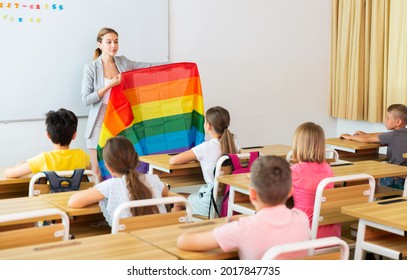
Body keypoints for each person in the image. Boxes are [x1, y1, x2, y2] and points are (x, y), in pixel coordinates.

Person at [176, 156, 310, 260]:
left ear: (252, 194)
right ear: (290, 192)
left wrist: (223, 230)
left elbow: (184, 242)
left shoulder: (243, 228)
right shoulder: (302, 218)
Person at [81, 27, 166, 181]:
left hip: (121, 121)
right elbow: (86, 99)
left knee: (124, 169)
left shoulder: (123, 62)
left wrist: (169, 65)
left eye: (116, 42)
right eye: (108, 42)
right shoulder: (91, 67)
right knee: (98, 172)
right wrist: (109, 85)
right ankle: (104, 205)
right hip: (99, 124)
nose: (113, 45)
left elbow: (146, 66)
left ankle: (123, 202)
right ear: (99, 44)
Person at [68, 136, 169, 226]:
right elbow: (166, 191)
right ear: (135, 159)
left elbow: (73, 202)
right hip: (159, 236)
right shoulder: (152, 179)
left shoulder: (111, 185)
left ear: (108, 167)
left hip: (129, 242)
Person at [169, 106, 239, 216]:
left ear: (208, 126)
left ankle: (176, 231)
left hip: (211, 204)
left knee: (176, 199)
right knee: (185, 199)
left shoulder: (205, 148)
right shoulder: (234, 145)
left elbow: (173, 160)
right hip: (228, 200)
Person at [5, 108, 91, 178]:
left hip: (50, 199)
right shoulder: (82, 156)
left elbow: (9, 174)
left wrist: (19, 165)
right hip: (74, 198)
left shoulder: (44, 159)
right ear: (74, 135)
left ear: (48, 135)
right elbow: (90, 169)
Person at [291, 122, 341, 238]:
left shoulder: (295, 171)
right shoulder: (327, 169)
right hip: (329, 229)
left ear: (298, 145)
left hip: (305, 229)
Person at [340, 104, 407, 189]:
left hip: (394, 178)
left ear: (398, 122)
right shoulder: (400, 133)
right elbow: (380, 135)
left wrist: (349, 137)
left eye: (387, 118)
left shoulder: (392, 135)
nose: (384, 121)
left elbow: (366, 139)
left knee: (378, 176)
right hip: (405, 178)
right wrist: (366, 134)